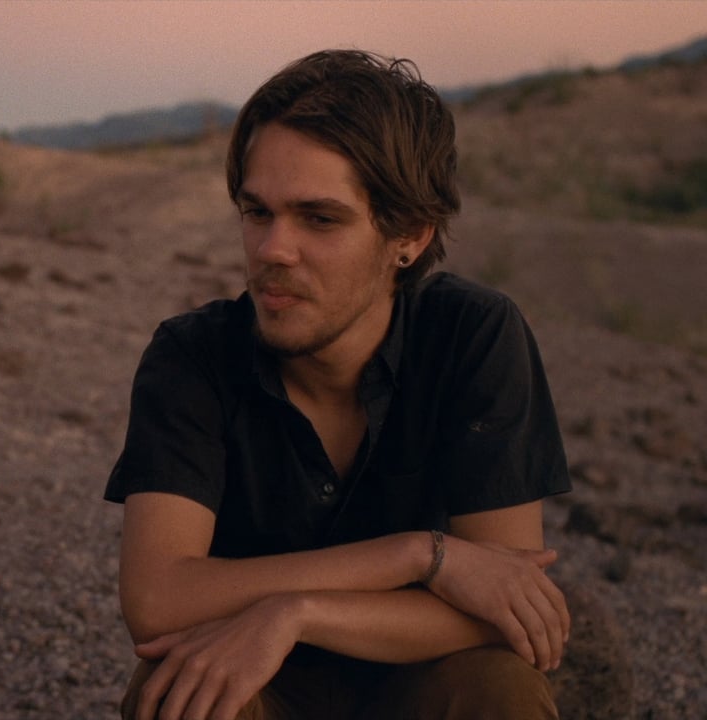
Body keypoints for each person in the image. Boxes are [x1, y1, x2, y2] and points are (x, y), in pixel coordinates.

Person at [105, 50, 572, 720]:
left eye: (319, 219)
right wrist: (419, 555)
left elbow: (514, 607)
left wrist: (297, 612)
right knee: (179, 697)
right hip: (256, 681)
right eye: (257, 212)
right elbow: (156, 602)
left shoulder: (472, 335)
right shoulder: (193, 356)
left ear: (409, 235)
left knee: (501, 689)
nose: (272, 249)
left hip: (417, 673)